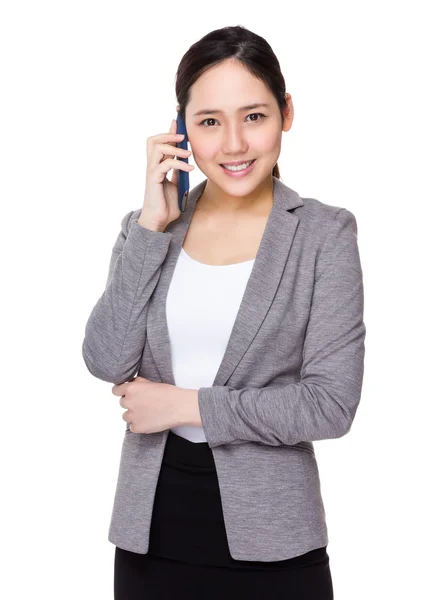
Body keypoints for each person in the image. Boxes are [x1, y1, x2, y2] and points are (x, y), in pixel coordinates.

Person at [82, 25, 366, 600]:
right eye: (209, 121)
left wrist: (187, 407)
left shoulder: (323, 234)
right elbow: (106, 357)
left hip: (275, 544)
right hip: (149, 536)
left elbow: (329, 405)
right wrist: (150, 227)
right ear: (180, 129)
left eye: (254, 116)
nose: (233, 144)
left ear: (286, 113)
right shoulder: (150, 228)